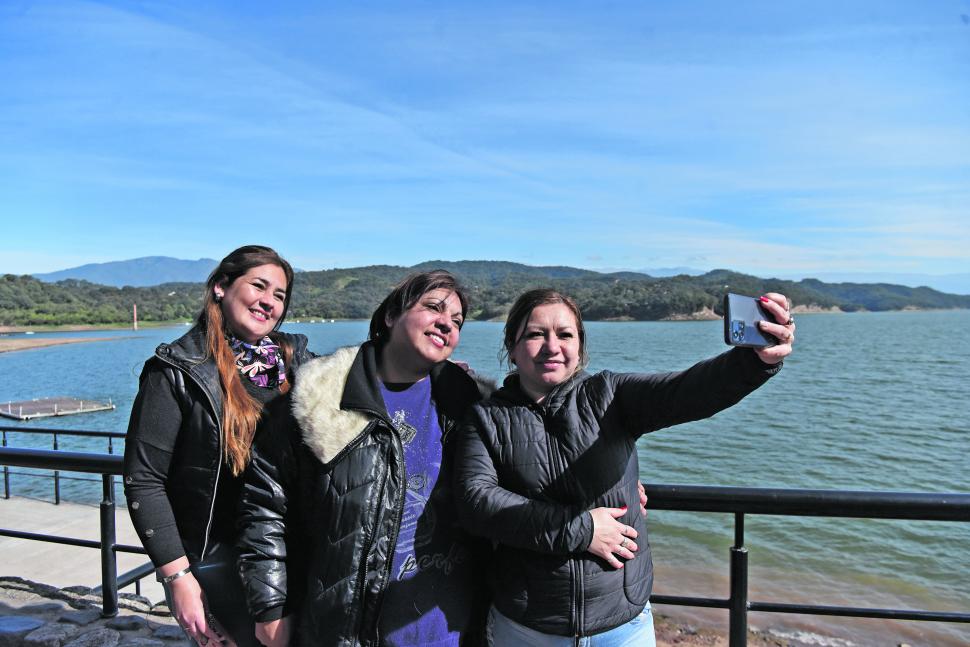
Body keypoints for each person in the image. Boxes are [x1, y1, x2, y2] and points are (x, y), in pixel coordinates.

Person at [453, 289, 795, 646]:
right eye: (536, 334)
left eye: (565, 334)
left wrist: (755, 361)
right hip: (528, 629)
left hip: (622, 627)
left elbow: (687, 390)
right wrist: (582, 529)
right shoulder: (488, 418)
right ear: (512, 346)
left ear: (580, 347)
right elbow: (478, 503)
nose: (552, 346)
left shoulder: (609, 396)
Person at [124, 245, 312, 647]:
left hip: (290, 553)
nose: (269, 301)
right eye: (259, 286)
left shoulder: (296, 362)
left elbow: (362, 380)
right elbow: (144, 481)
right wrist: (178, 578)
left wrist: (438, 371)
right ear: (221, 288)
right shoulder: (175, 372)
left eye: (279, 295)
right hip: (219, 563)